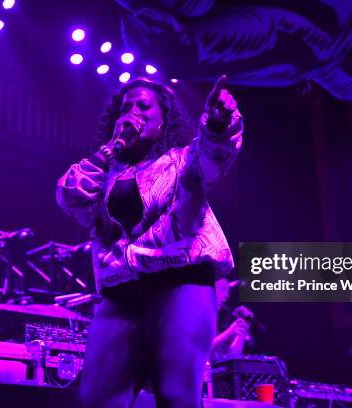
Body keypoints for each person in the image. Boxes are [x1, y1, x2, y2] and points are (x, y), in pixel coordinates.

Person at [56, 75, 243, 407]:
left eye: (144, 106)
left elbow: (215, 151)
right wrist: (105, 154)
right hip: (121, 292)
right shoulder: (104, 176)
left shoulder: (183, 160)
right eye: (126, 108)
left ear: (163, 120)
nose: (133, 113)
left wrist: (218, 121)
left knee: (175, 395)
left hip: (181, 282)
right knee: (98, 399)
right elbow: (70, 195)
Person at [211, 278, 254, 361]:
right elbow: (200, 349)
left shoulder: (216, 323)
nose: (227, 295)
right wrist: (228, 332)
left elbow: (232, 357)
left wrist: (243, 327)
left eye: (228, 291)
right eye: (223, 289)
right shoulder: (196, 314)